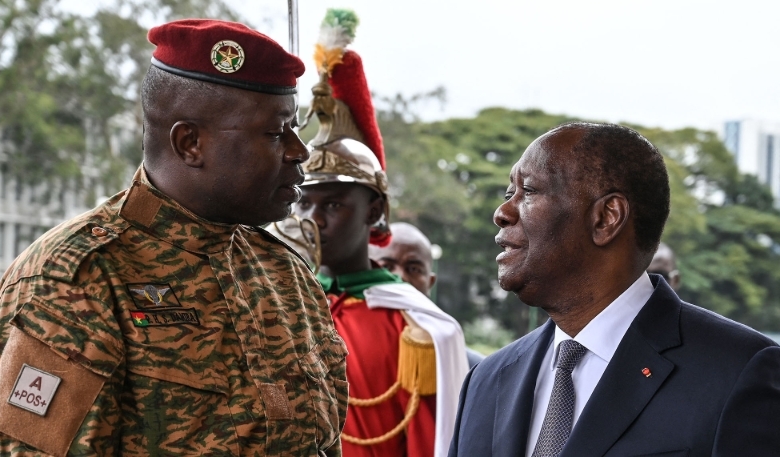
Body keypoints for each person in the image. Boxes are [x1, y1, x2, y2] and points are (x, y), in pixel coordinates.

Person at [0, 19, 347, 456]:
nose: (299, 150)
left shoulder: (285, 275)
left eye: (295, 129)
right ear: (189, 143)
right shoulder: (75, 279)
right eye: (275, 133)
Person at [448, 122, 780, 456]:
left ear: (607, 217)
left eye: (529, 192)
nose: (502, 212)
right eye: (509, 195)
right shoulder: (485, 381)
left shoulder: (738, 374)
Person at [292, 9, 469, 457]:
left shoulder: (418, 327)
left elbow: (432, 442)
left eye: (333, 204)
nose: (314, 218)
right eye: (304, 202)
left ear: (374, 212)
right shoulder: (282, 306)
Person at [369, 222, 485, 367]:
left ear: (430, 283)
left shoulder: (469, 367)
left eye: (413, 269)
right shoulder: (340, 347)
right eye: (386, 267)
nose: (400, 276)